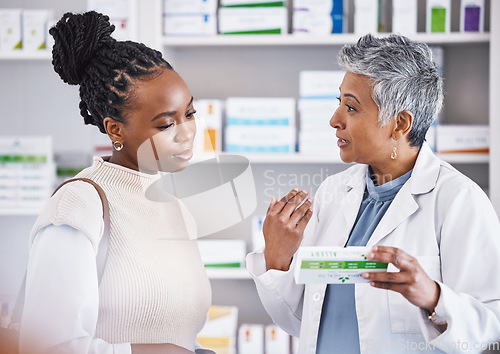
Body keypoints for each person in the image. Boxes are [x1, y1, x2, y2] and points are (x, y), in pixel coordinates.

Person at [247, 34, 500, 353]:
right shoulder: (334, 192)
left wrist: (433, 297)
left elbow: (490, 331)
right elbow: (300, 321)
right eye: (338, 102)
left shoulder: (458, 200)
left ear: (400, 124)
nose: (334, 120)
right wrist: (277, 257)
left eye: (351, 107)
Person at [19, 11, 212, 354]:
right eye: (166, 124)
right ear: (115, 130)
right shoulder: (79, 206)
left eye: (191, 113)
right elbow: (46, 346)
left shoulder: (177, 210)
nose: (187, 133)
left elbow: (179, 333)